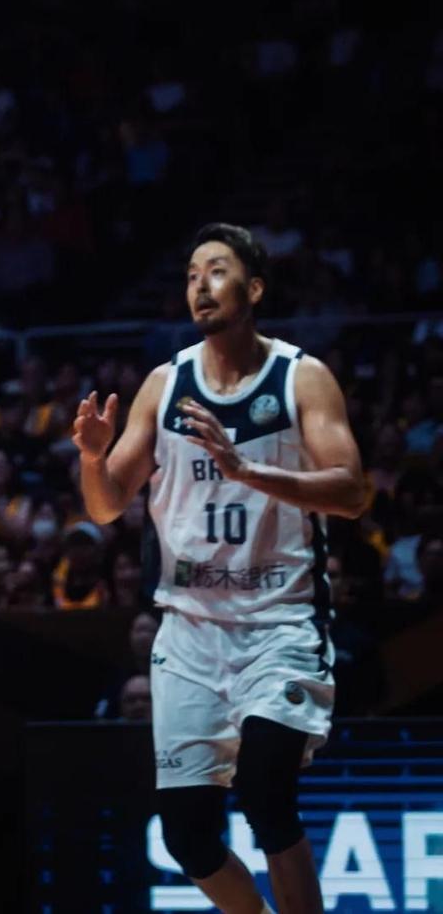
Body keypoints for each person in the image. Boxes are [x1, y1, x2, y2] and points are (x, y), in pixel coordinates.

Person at [76, 224, 369, 914]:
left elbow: (353, 490)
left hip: (280, 621)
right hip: (190, 631)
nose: (199, 285)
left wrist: (247, 469)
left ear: (254, 289)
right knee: (188, 836)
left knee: (268, 797)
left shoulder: (301, 376)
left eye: (216, 270)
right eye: (189, 274)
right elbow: (108, 504)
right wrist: (93, 457)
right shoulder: (165, 381)